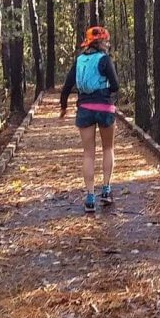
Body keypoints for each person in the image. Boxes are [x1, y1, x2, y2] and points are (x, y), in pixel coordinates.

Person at [60, 25, 120, 213]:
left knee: (88, 153)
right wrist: (105, 94)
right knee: (108, 147)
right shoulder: (105, 59)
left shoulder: (79, 61)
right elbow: (116, 86)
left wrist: (63, 107)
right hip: (104, 107)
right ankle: (106, 190)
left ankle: (90, 198)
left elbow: (67, 87)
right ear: (102, 42)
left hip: (84, 108)